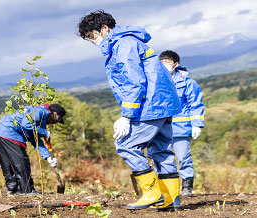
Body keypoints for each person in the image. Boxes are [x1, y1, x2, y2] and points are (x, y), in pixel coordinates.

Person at [77, 10, 182, 210]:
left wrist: (126, 116)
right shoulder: (128, 41)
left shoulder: (122, 46)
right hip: (163, 104)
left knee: (125, 145)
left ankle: (152, 193)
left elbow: (134, 82)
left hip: (151, 105)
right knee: (160, 149)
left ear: (104, 29)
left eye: (92, 36)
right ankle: (171, 199)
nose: (92, 41)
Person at [159, 50, 205, 197]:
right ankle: (165, 188)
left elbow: (195, 104)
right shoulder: (157, 82)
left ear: (176, 64)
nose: (164, 66)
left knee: (183, 157)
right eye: (161, 63)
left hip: (181, 129)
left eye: (167, 63)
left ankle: (186, 187)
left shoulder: (188, 83)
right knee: (161, 159)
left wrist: (196, 124)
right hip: (160, 129)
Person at [0, 104, 65, 194]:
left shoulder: (40, 120)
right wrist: (44, 132)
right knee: (21, 161)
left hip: (0, 131)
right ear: (54, 113)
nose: (55, 122)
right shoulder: (41, 111)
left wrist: (48, 157)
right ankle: (27, 190)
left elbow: (36, 140)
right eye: (57, 119)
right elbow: (26, 125)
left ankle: (12, 189)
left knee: (7, 163)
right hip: (10, 131)